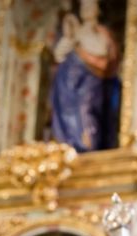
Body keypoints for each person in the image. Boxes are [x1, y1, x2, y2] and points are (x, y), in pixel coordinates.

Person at [51, 0, 121, 152]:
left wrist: (83, 49)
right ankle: (68, 145)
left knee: (87, 114)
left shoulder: (102, 33)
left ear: (98, 10)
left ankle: (87, 146)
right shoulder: (76, 31)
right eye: (84, 6)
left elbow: (107, 57)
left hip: (91, 83)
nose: (86, 10)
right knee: (69, 113)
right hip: (70, 82)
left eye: (90, 6)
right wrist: (70, 40)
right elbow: (59, 55)